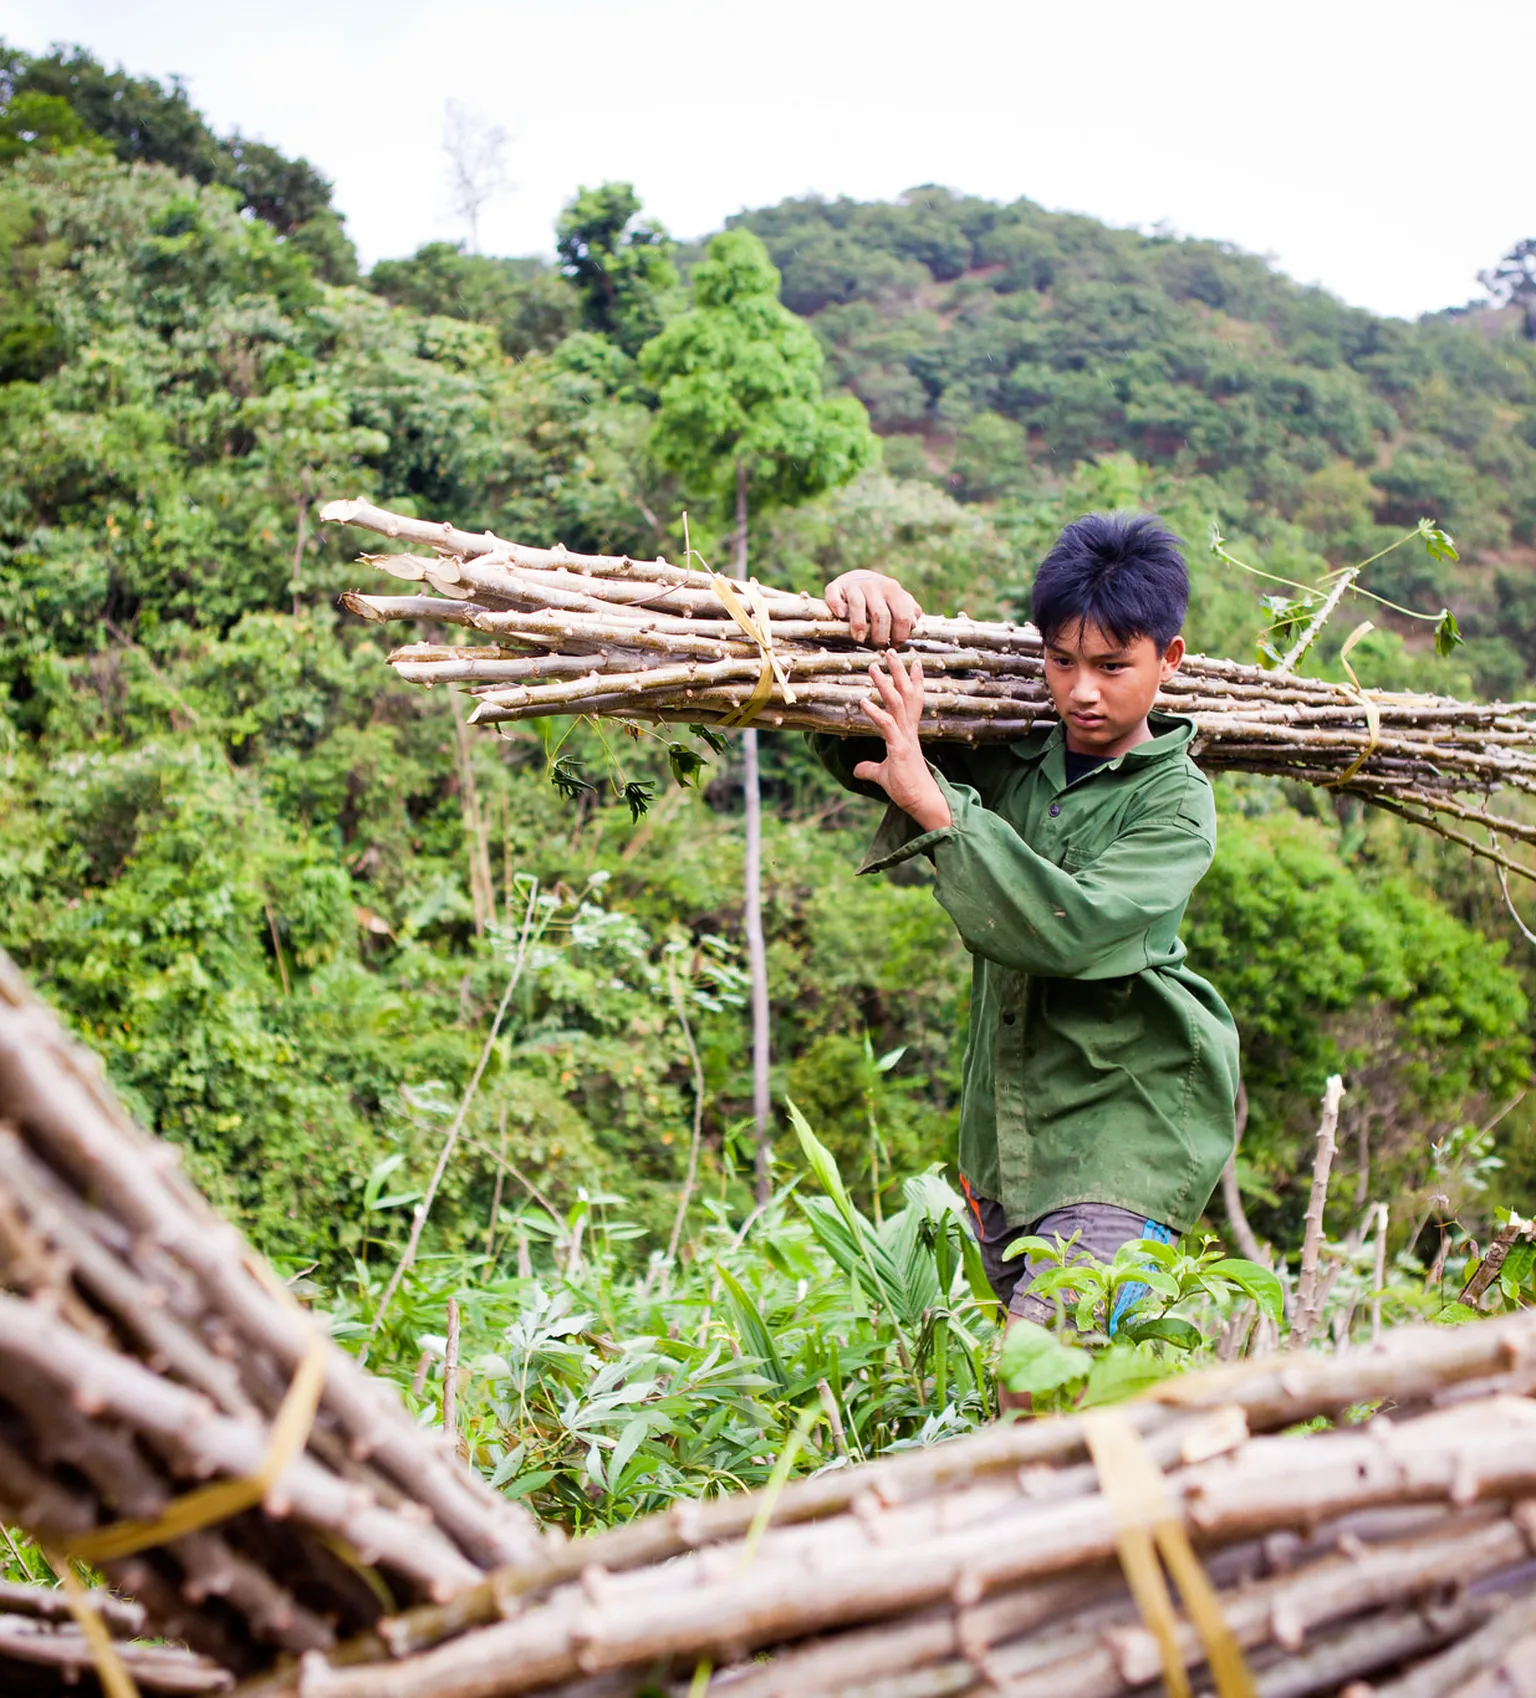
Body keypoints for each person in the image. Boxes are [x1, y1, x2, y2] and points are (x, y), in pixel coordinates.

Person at [812, 513, 1240, 1410]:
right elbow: (875, 751)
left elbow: (1072, 928)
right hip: (1011, 1145)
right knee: (1079, 1409)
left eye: (1112, 667)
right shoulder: (1018, 760)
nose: (1082, 692)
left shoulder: (1177, 802)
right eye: (1061, 662)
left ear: (1171, 659)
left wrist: (940, 810)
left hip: (1127, 1132)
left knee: (1032, 1397)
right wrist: (859, 608)